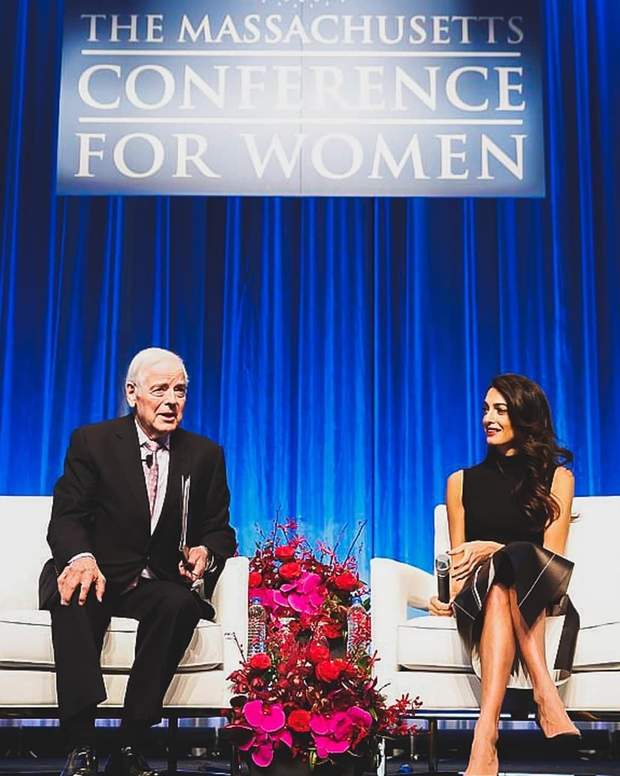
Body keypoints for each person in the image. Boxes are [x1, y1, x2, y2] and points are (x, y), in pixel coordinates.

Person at [39, 348, 237, 776]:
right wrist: (82, 557)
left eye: (180, 390)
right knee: (74, 596)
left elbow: (220, 529)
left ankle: (130, 742)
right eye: (160, 389)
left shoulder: (204, 455)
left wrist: (208, 551)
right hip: (93, 570)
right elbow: (67, 517)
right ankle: (82, 744)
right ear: (133, 394)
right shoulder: (92, 442)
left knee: (179, 605)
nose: (171, 400)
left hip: (152, 582)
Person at [429, 373, 580, 776]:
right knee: (497, 581)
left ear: (524, 416)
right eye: (484, 409)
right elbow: (460, 566)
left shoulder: (557, 479)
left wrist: (494, 549)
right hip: (479, 599)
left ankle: (485, 739)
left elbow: (552, 557)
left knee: (511, 565)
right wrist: (444, 596)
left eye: (499, 409)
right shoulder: (461, 482)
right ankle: (543, 696)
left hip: (539, 591)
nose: (487, 418)